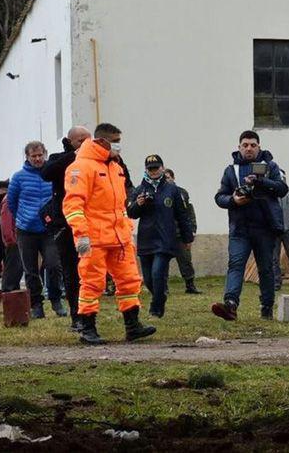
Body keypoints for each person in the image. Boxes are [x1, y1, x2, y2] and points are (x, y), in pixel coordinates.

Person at [63, 123, 156, 345]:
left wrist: (126, 228)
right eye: (116, 141)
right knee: (92, 282)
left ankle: (132, 326)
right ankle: (87, 327)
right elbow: (73, 204)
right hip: (94, 238)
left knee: (129, 281)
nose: (119, 146)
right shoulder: (81, 167)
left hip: (119, 237)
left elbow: (120, 203)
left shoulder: (115, 166)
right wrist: (81, 235)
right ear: (103, 142)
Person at [212, 130, 289, 321]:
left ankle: (266, 307)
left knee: (266, 268)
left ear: (259, 147)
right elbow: (219, 197)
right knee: (236, 264)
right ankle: (230, 305)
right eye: (245, 145)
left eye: (253, 145)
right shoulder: (231, 170)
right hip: (240, 228)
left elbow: (282, 189)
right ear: (239, 147)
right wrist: (234, 200)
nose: (249, 148)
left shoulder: (270, 166)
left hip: (265, 227)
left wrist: (261, 181)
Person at [128, 155, 194, 318]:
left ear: (162, 168)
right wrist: (138, 204)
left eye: (156, 168)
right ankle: (160, 296)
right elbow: (131, 213)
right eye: (150, 169)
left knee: (158, 274)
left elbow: (182, 215)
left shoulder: (172, 189)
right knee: (149, 279)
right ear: (146, 170)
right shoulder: (140, 189)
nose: (154, 171)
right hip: (146, 239)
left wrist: (187, 238)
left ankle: (156, 308)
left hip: (165, 240)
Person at [8, 141, 67, 318]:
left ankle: (56, 299)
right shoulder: (18, 177)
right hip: (26, 230)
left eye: (40, 155)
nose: (37, 159)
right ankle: (36, 304)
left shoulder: (52, 174)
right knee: (31, 270)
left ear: (45, 154)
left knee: (54, 265)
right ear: (27, 157)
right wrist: (23, 217)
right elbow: (11, 202)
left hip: (49, 229)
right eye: (33, 156)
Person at [41, 125, 92, 331]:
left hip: (93, 223)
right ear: (70, 141)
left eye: (88, 139)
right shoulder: (58, 158)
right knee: (71, 272)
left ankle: (90, 315)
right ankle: (76, 317)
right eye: (81, 140)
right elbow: (47, 172)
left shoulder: (98, 159)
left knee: (90, 273)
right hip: (66, 224)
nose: (86, 144)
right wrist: (75, 155)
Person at [164, 168, 201, 294]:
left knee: (185, 260)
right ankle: (163, 287)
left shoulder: (182, 193)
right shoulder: (158, 193)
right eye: (164, 178)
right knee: (162, 262)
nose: (166, 180)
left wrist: (192, 231)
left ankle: (190, 285)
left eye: (168, 177)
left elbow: (189, 212)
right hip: (164, 234)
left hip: (180, 234)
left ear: (173, 178)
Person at [0, 181, 22, 291]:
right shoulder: (9, 200)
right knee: (13, 269)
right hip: (13, 240)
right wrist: (10, 239)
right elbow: (6, 222)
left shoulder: (11, 199)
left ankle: (12, 295)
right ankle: (8, 294)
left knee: (16, 269)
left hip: (16, 239)